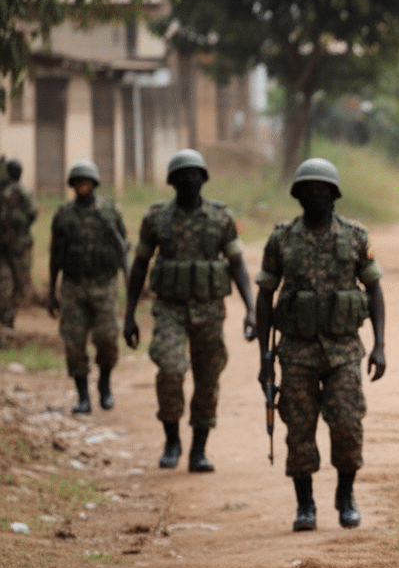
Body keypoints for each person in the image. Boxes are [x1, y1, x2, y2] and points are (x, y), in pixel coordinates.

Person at [255, 158, 387, 531]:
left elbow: (374, 290)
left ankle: (345, 496)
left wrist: (379, 346)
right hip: (295, 351)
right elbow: (265, 296)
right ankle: (305, 504)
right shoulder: (281, 238)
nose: (316, 196)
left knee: (347, 424)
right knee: (298, 429)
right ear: (298, 195)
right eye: (308, 190)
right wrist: (265, 356)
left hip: (344, 350)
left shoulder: (356, 236)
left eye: (322, 190)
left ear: (334, 194)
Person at [123, 149, 258, 472]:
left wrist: (251, 310)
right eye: (183, 176)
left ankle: (199, 450)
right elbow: (140, 265)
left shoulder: (220, 217)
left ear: (204, 178)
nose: (189, 180)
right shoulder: (157, 217)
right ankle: (172, 440)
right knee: (170, 370)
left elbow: (237, 265)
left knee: (207, 378)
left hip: (209, 309)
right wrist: (128, 314)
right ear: (172, 181)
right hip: (169, 308)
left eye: (195, 174)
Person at [48, 160, 129, 414]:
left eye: (87, 182)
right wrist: (51, 292)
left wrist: (129, 281)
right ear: (72, 186)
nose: (83, 186)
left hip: (104, 286)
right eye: (78, 182)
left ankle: (105, 384)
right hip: (72, 287)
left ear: (94, 184)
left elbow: (122, 247)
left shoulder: (109, 211)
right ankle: (83, 396)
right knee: (74, 343)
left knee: (107, 340)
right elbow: (55, 255)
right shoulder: (63, 215)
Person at [1, 158, 38, 327]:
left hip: (12, 244)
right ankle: (8, 321)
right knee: (15, 283)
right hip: (18, 245)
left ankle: (7, 320)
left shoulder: (8, 191)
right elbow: (31, 215)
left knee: (10, 283)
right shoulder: (23, 191)